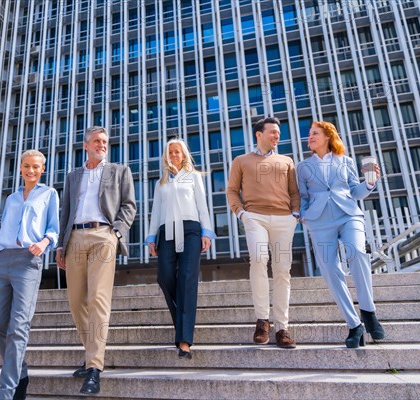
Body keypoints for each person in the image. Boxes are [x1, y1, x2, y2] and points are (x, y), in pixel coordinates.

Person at [55, 126, 136, 395]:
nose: (102, 145)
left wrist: (116, 232)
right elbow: (65, 211)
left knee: (98, 299)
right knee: (77, 301)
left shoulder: (119, 171)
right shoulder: (72, 176)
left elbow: (129, 205)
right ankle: (91, 353)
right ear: (86, 145)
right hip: (75, 238)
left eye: (105, 142)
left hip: (103, 236)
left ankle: (94, 367)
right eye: (97, 141)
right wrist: (60, 245)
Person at [296, 121, 384, 349]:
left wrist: (370, 184)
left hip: (348, 214)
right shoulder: (303, 166)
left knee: (357, 253)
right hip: (319, 221)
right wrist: (304, 215)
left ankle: (368, 311)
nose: (310, 137)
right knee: (330, 270)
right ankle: (355, 325)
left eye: (315, 133)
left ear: (328, 136)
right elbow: (303, 196)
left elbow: (355, 191)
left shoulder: (346, 161)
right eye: (309, 134)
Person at [0, 150, 59, 400]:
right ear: (20, 168)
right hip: (2, 260)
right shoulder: (11, 198)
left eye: (36, 167)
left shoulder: (49, 194)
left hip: (28, 261)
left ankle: (7, 393)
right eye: (27, 166)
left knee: (18, 327)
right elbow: (6, 225)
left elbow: (54, 229)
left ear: (43, 169)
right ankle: (21, 371)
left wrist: (44, 243)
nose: (31, 171)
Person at [226, 117, 300, 349]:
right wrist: (242, 214)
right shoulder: (241, 160)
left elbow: (294, 192)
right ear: (259, 134)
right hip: (254, 218)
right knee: (258, 260)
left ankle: (282, 328)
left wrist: (295, 215)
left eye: (279, 133)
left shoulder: (287, 161)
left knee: (282, 270)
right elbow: (231, 190)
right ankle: (262, 321)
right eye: (273, 132)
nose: (277, 136)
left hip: (283, 220)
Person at [145, 139, 216, 359]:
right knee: (165, 278)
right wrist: (151, 237)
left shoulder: (193, 177)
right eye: (170, 152)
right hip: (166, 231)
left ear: (183, 155)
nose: (174, 155)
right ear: (166, 156)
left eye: (177, 152)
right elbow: (156, 211)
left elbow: (202, 205)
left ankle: (184, 340)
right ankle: (183, 320)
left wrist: (207, 232)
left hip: (191, 229)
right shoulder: (161, 183)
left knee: (187, 278)